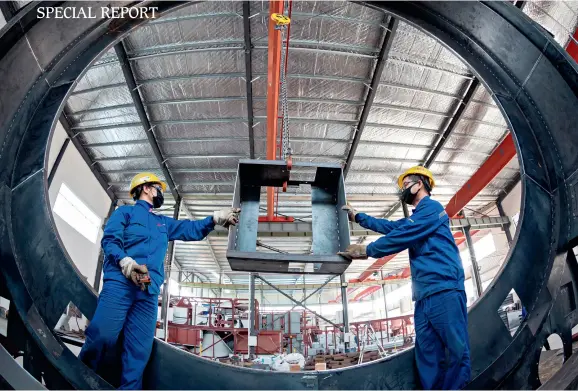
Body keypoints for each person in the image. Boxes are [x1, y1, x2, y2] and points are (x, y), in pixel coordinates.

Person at [79, 172, 240, 389]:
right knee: (102, 335)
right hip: (121, 282)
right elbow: (110, 240)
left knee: (138, 354)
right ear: (146, 188)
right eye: (158, 187)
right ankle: (78, 379)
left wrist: (214, 219)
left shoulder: (162, 223)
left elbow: (190, 229)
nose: (160, 192)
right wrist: (126, 262)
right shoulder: (124, 213)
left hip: (148, 291)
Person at [339, 166, 470, 390]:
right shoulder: (417, 217)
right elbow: (391, 227)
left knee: (458, 352)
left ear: (420, 183)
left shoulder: (432, 209)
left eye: (406, 183)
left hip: (445, 290)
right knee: (428, 356)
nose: (404, 188)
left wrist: (367, 250)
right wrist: (359, 217)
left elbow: (402, 234)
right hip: (423, 297)